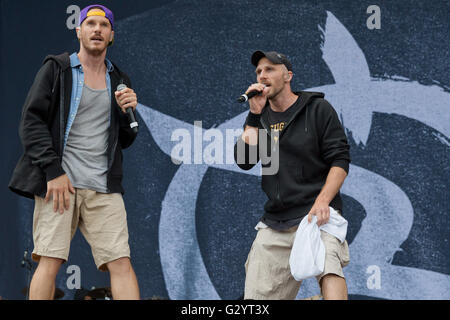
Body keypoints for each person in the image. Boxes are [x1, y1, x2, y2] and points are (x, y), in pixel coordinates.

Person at [9, 5, 140, 300]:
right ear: (78, 31)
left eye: (103, 25)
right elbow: (31, 122)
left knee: (121, 262)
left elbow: (126, 138)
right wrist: (53, 171)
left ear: (112, 36)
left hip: (103, 186)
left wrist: (128, 114)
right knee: (49, 260)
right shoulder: (57, 69)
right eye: (90, 24)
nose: (97, 29)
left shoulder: (119, 78)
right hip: (61, 183)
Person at [234, 51, 351, 300]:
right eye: (258, 72)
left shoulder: (317, 109)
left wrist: (322, 201)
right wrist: (254, 115)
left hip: (316, 214)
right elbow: (245, 160)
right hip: (276, 220)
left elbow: (340, 160)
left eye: (269, 69)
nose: (262, 75)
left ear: (288, 76)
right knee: (255, 299)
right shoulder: (262, 117)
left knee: (329, 269)